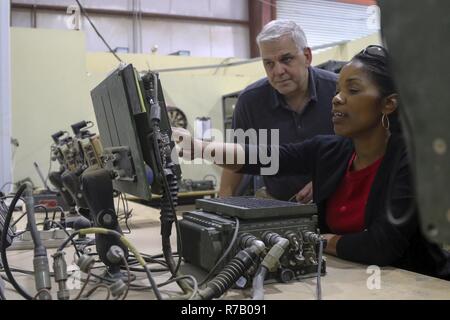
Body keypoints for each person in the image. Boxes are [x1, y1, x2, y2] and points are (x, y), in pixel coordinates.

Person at [173, 45, 450, 279]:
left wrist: (313, 241)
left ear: (389, 104)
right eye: (338, 88)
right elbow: (262, 156)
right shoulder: (331, 150)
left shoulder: (413, 161)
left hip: (415, 284)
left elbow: (381, 245)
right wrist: (199, 147)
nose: (338, 98)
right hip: (351, 280)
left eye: (353, 90)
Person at [219, 20, 337, 203]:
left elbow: (363, 151)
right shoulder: (250, 102)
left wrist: (327, 181)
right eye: (269, 63)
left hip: (338, 203)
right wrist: (222, 209)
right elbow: (236, 162)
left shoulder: (339, 92)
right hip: (279, 207)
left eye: (286, 59)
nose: (278, 71)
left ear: (307, 56)